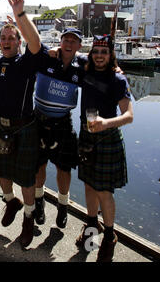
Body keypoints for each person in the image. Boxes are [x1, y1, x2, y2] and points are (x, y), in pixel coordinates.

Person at [0, 0, 49, 248]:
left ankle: (28, 219)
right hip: (1, 127)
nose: (6, 41)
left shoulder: (27, 62)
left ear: (18, 41)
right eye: (3, 37)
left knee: (26, 179)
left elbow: (35, 43)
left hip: (25, 127)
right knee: (1, 172)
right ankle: (10, 201)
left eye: (11, 37)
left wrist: (20, 15)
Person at [75, 34, 133, 262]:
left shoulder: (118, 80)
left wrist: (105, 122)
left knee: (104, 191)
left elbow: (129, 116)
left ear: (111, 55)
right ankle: (92, 228)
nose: (100, 56)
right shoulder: (86, 69)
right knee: (89, 185)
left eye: (104, 52)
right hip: (86, 133)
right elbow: (64, 52)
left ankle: (109, 237)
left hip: (107, 135)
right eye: (96, 52)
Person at [32, 28, 87, 228]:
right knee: (39, 165)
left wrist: (115, 68)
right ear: (60, 42)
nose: (69, 44)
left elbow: (103, 64)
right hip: (39, 120)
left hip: (63, 122)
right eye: (66, 40)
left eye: (74, 41)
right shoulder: (47, 57)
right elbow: (33, 42)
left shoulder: (82, 65)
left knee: (64, 168)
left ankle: (62, 206)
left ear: (79, 46)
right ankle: (39, 202)